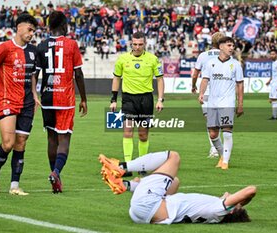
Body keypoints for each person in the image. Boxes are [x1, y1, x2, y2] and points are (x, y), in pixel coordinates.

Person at [99, 151, 257, 224]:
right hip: (142, 214)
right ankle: (125, 185)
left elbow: (251, 190)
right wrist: (237, 203)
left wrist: (238, 202)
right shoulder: (215, 211)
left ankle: (121, 167)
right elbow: (241, 197)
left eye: (238, 204)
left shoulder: (218, 209)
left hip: (147, 204)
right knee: (174, 181)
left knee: (173, 157)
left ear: (232, 209)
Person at [0, 13, 38, 195]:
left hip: (27, 102)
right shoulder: (4, 48)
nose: (31, 34)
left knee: (21, 143)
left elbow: (32, 74)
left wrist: (35, 94)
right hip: (7, 100)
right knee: (8, 143)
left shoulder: (33, 51)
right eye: (29, 29)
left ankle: (14, 186)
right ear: (19, 26)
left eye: (34, 31)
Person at [33, 11, 87, 193]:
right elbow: (78, 73)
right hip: (65, 99)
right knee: (64, 138)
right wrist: (84, 99)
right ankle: (56, 172)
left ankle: (55, 177)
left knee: (51, 138)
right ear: (64, 26)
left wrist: (34, 94)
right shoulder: (71, 45)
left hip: (47, 98)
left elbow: (35, 74)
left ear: (49, 27)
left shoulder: (41, 46)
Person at [110, 31, 164, 176]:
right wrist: (113, 100)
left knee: (142, 135)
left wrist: (160, 99)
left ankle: (142, 165)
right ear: (131, 44)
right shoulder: (122, 59)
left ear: (145, 44)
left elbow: (159, 79)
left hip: (146, 100)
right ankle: (127, 166)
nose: (137, 47)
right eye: (135, 44)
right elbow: (116, 79)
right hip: (128, 99)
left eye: (140, 44)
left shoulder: (153, 59)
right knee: (127, 131)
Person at [198, 37, 244, 170]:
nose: (232, 48)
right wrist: (201, 93)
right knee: (213, 134)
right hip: (212, 102)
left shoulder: (235, 64)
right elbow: (205, 80)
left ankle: (225, 162)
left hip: (228, 101)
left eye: (233, 46)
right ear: (221, 46)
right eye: (229, 45)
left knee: (227, 130)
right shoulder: (210, 63)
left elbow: (240, 85)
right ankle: (222, 156)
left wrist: (240, 104)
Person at [191, 32, 224, 158]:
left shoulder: (203, 55)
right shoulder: (226, 56)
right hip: (222, 92)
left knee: (210, 120)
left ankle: (214, 148)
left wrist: (193, 86)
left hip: (206, 91)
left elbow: (195, 74)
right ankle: (218, 147)